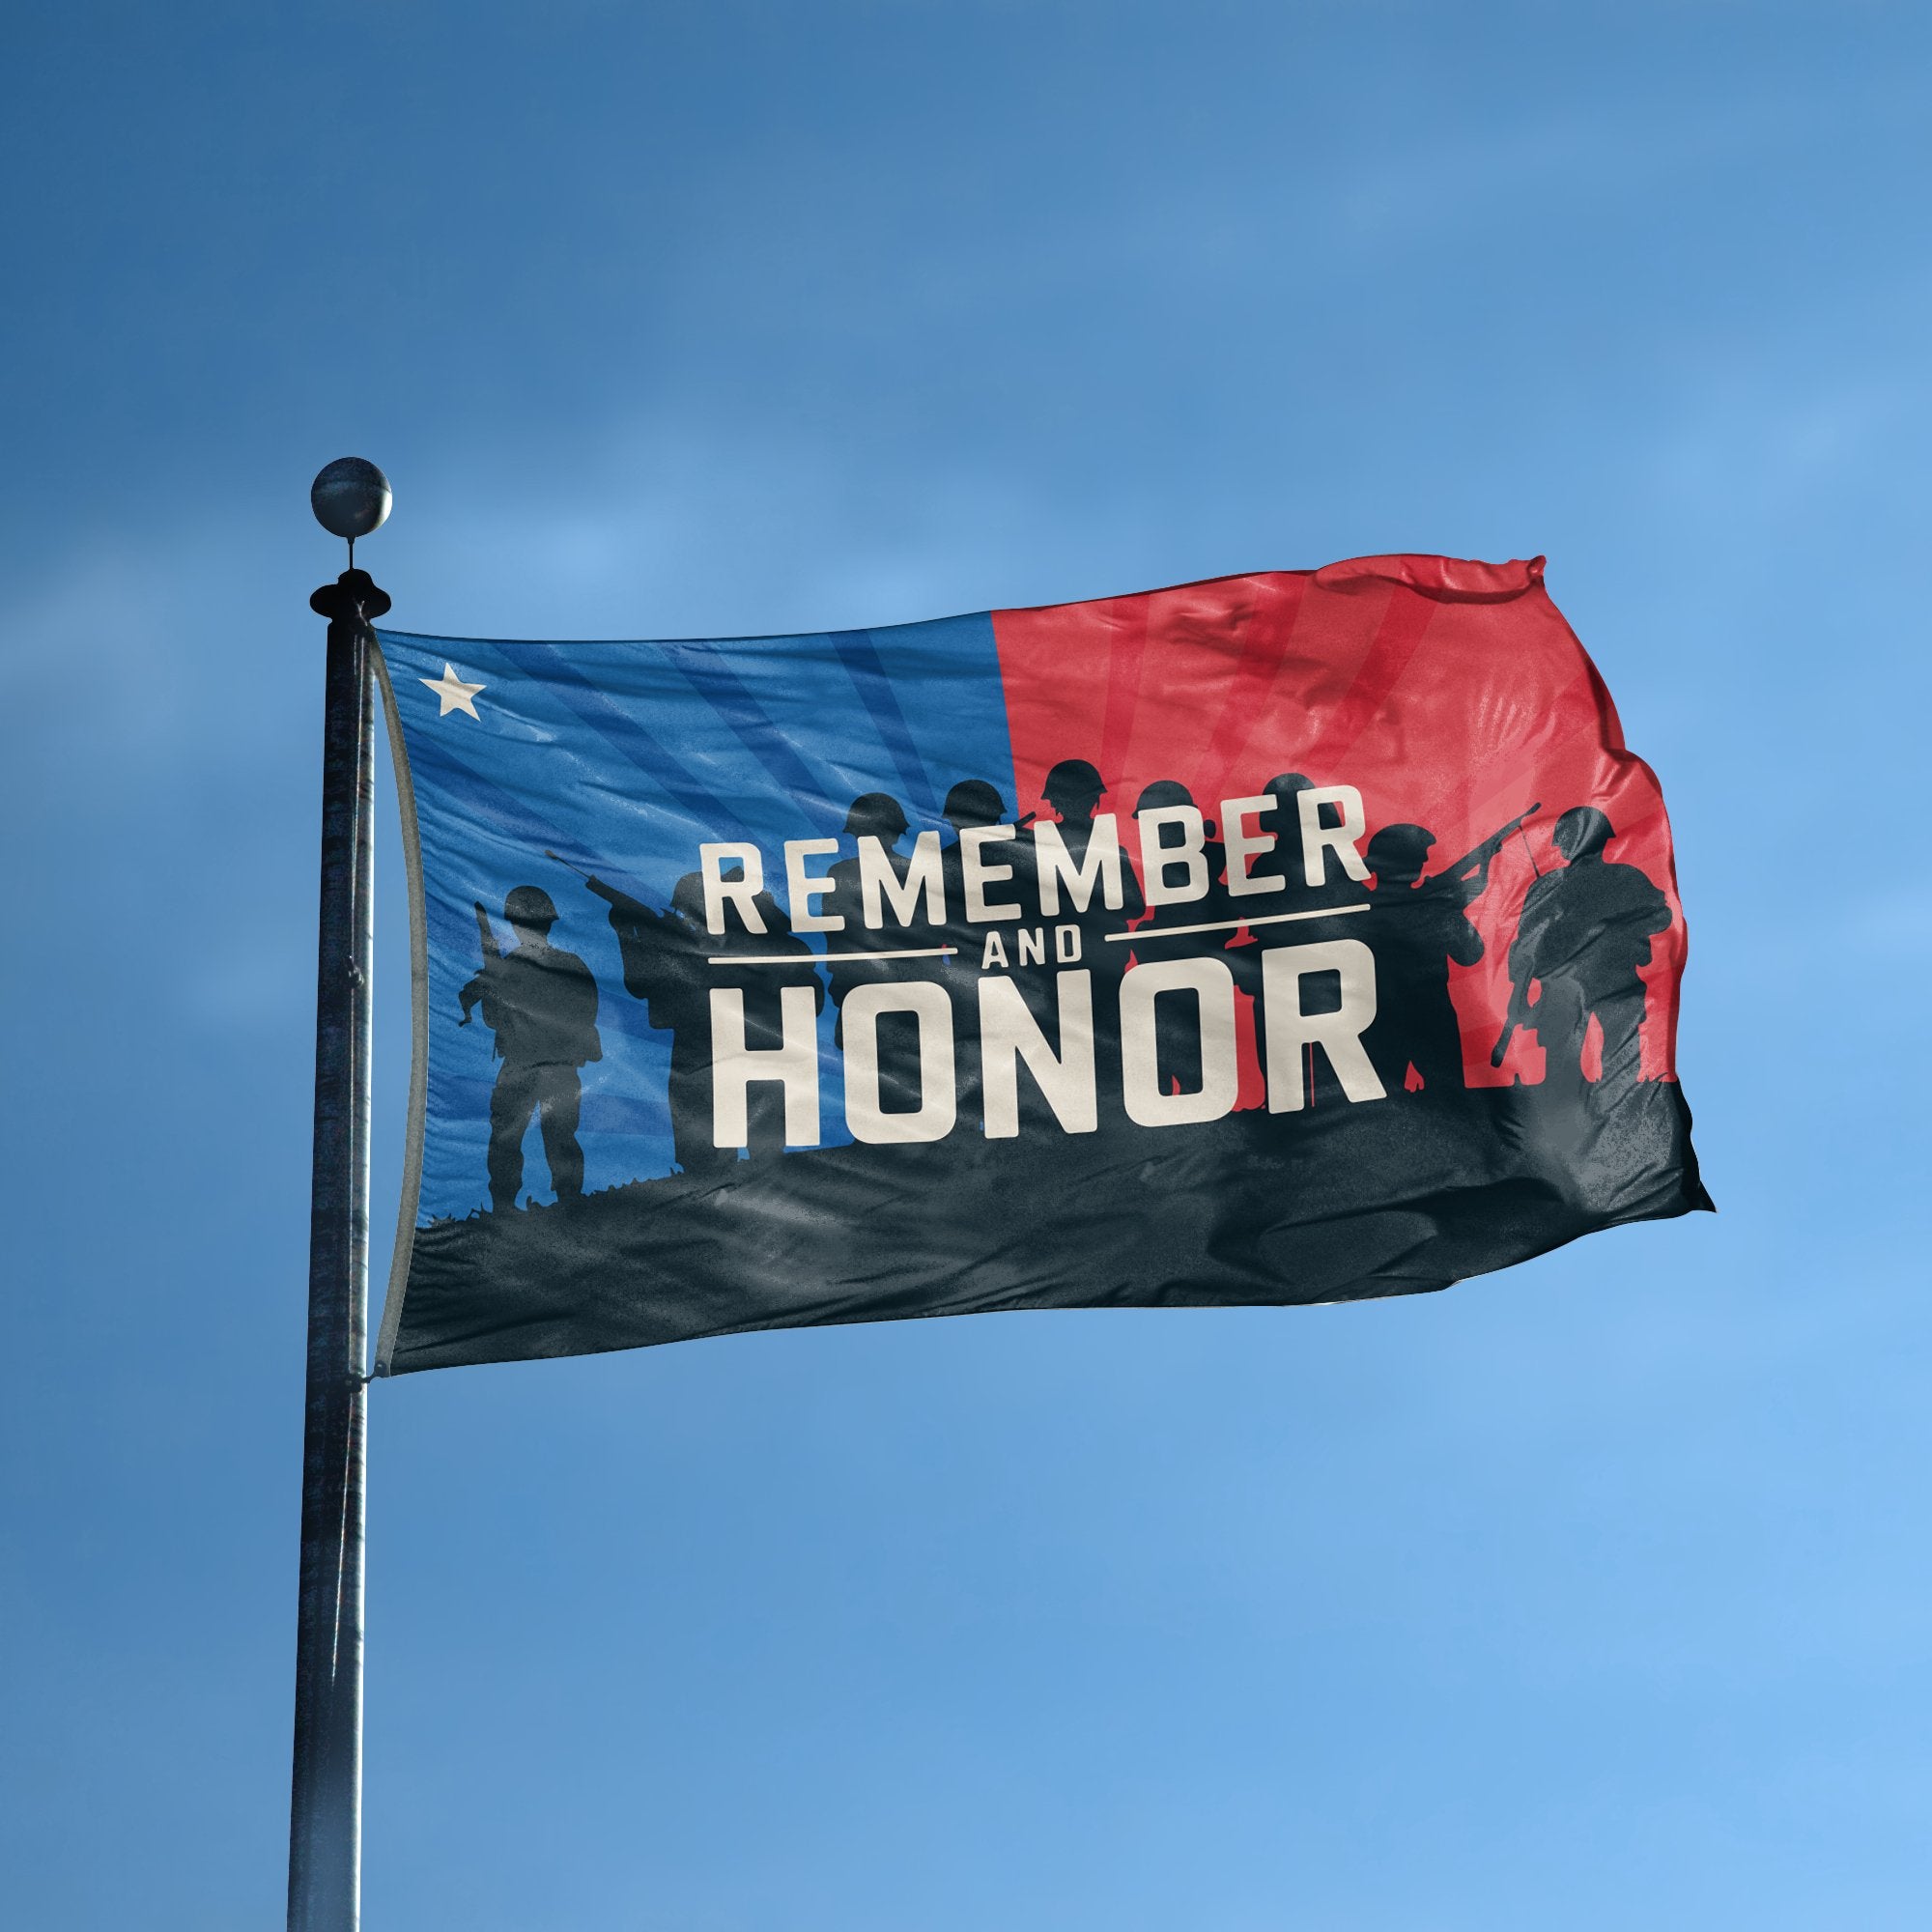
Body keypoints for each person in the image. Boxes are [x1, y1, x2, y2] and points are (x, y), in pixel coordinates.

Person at [1501, 806, 1671, 1105]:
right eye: (1565, 838)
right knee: (1559, 1056)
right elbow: (1525, 938)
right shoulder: (1547, 887)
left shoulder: (1624, 879)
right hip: (1562, 982)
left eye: (1570, 837)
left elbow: (1660, 917)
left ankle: (1617, 1106)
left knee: (1620, 1053)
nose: (1565, 844)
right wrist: (1520, 979)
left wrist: (1613, 926)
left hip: (1613, 979)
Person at [460, 885, 602, 1212]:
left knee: (508, 1139)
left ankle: (504, 1208)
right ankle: (570, 1203)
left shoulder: (508, 968)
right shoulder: (572, 964)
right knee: (560, 1138)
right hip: (560, 1067)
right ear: (548, 923)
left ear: (514, 924)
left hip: (522, 1066)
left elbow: (493, 1019)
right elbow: (587, 1011)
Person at [821, 793, 944, 1114]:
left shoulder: (840, 874)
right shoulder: (919, 873)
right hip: (905, 995)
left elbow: (836, 942)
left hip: (884, 995)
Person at [1357, 824, 1485, 1094]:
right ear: (1405, 861)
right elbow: (1470, 954)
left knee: (1378, 1106)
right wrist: (1453, 906)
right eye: (1420, 854)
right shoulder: (1431, 905)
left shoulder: (1358, 908)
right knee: (1450, 1100)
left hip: (1376, 1019)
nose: (1426, 860)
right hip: (1429, 1016)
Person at [1126, 778, 1233, 1096]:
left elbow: (1218, 922)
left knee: (1191, 1057)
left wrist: (1147, 938)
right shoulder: (1166, 863)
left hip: (1193, 980)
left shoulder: (1201, 863)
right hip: (1168, 981)